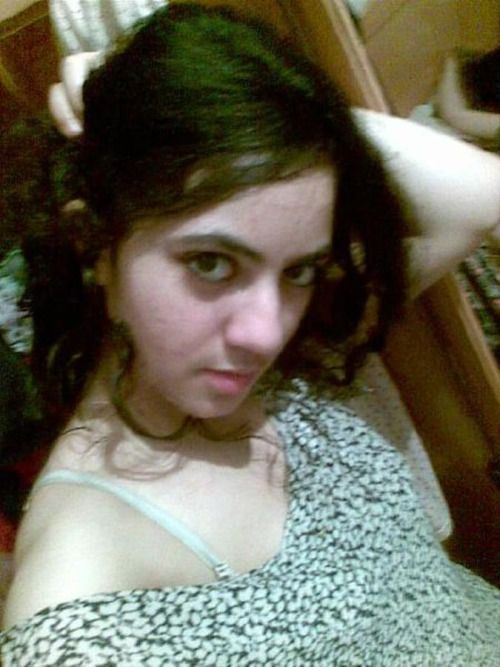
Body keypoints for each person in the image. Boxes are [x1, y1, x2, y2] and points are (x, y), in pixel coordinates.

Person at [0, 3, 499, 665]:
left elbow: (481, 193)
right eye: (211, 263)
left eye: (299, 270)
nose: (266, 332)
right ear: (95, 243)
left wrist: (279, 119)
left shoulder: (292, 374)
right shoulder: (78, 609)